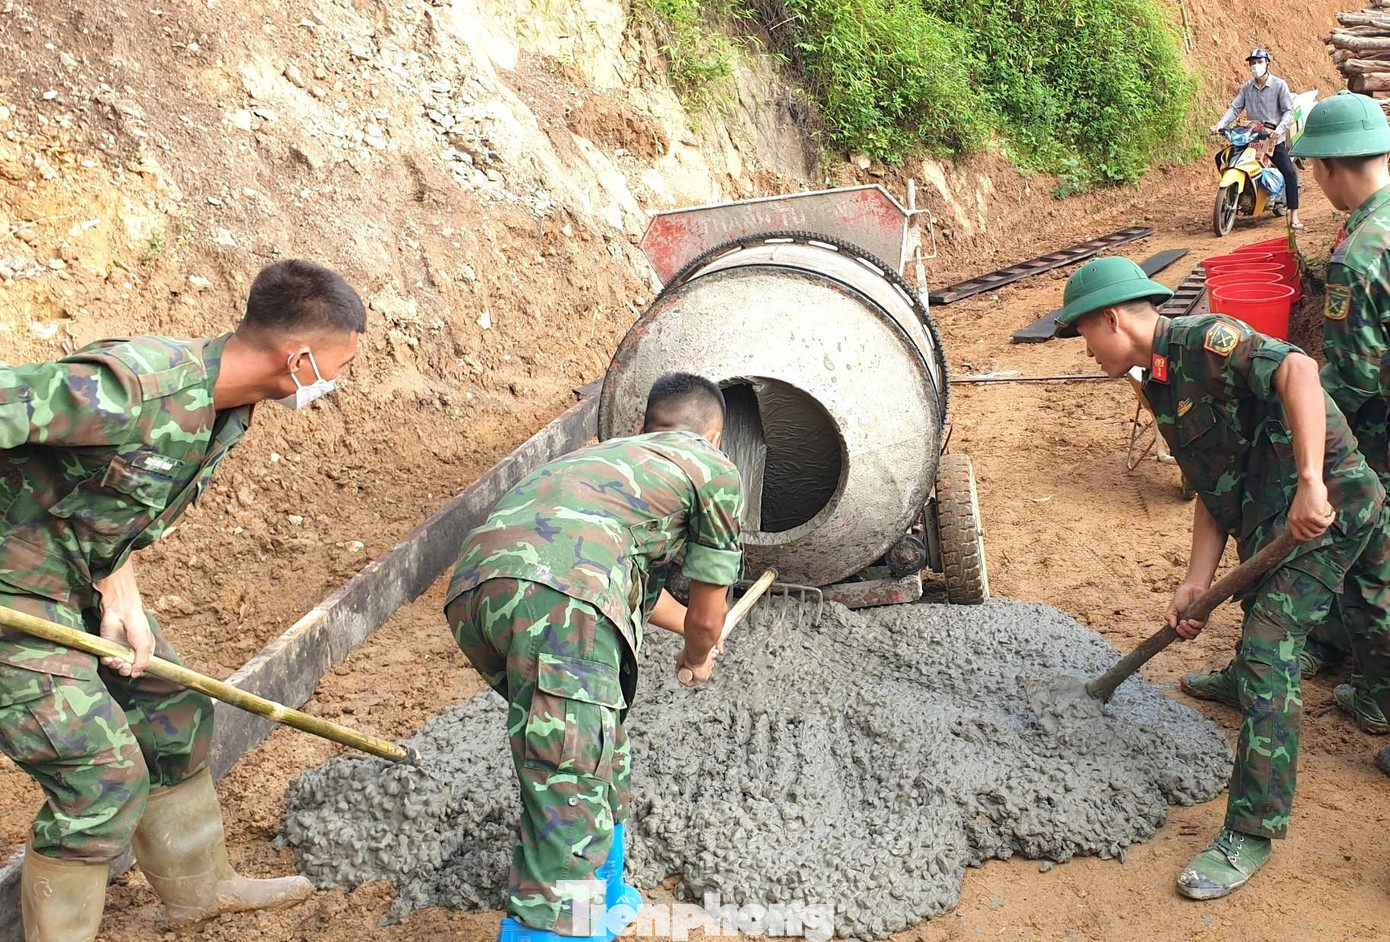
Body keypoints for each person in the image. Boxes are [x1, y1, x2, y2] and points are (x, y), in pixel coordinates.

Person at [0, 259, 365, 939]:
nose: (336, 383)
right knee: (99, 782)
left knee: (173, 714)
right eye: (338, 367)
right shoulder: (131, 389)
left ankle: (202, 889)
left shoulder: (221, 407)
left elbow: (106, 502)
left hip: (68, 580)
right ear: (301, 358)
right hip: (13, 605)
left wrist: (121, 590)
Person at [1052, 256, 1390, 898]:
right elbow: (1214, 482)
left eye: (1082, 334)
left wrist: (1313, 484)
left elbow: (1300, 369)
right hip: (1276, 514)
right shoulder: (1156, 381)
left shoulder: (1207, 341)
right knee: (1372, 609)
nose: (1084, 349)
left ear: (1112, 318)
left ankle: (1251, 830)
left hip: (1328, 505)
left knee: (1272, 644)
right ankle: (1376, 704)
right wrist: (1194, 579)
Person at [444, 373, 744, 942]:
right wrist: (699, 653)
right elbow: (708, 612)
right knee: (569, 770)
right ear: (716, 438)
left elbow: (637, 587)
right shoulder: (712, 468)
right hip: (564, 602)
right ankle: (554, 929)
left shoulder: (609, 464)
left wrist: (696, 630)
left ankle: (606, 896)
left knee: (594, 744)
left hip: (478, 594)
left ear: (643, 428)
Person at [1291, 91, 1390, 750]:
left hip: (1378, 431)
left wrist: (1305, 436)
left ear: (1329, 166)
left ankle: (1377, 693)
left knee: (1366, 549)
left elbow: (1351, 379)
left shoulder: (1357, 251)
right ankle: (1330, 644)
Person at [1211, 47, 1304, 230]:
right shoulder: (1247, 88)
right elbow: (1235, 108)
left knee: (1290, 173)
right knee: (1221, 157)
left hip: (1271, 138)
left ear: (1267, 63)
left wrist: (1278, 129)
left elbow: (1288, 111)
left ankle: (1294, 216)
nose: (1255, 66)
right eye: (1252, 63)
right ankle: (1241, 193)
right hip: (1251, 136)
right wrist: (1220, 124)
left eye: (1259, 62)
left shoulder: (1279, 85)